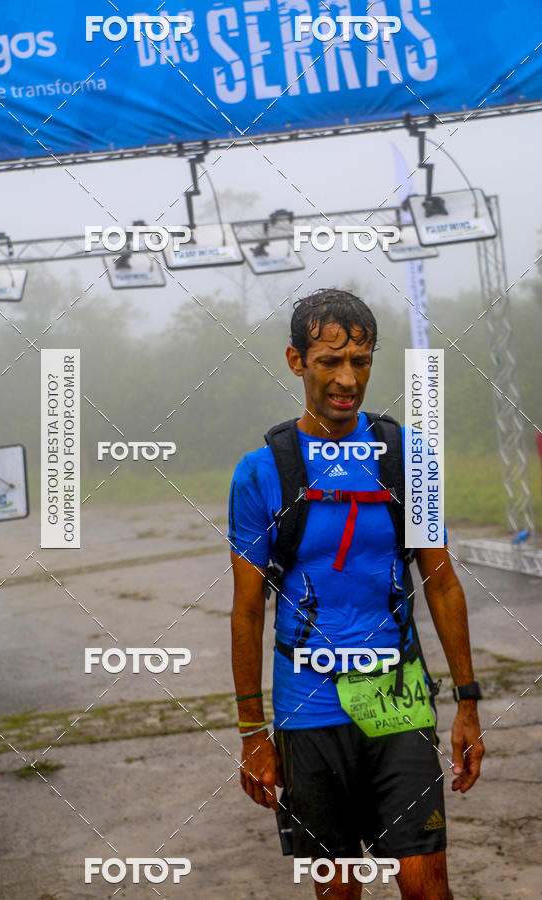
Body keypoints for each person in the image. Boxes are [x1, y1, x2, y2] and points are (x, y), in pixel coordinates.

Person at [228, 289, 484, 899]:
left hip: (398, 696)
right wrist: (251, 733)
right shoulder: (260, 473)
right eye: (329, 362)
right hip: (307, 709)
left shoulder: (407, 460)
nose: (347, 379)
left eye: (361, 362)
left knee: (428, 888)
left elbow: (442, 583)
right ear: (296, 361)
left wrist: (469, 702)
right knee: (337, 891)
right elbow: (245, 610)